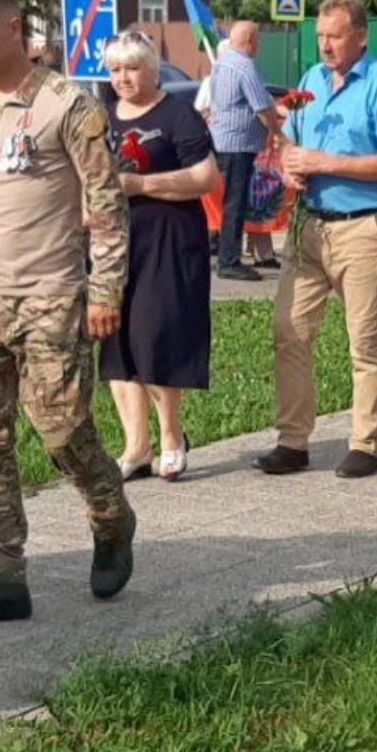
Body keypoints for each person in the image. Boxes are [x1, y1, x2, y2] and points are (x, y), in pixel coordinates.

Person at [0, 0, 136, 628]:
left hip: (50, 298)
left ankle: (110, 515)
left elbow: (107, 206)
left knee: (66, 434)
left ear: (15, 29)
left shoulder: (69, 107)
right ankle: (1, 574)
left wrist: (104, 291)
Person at [259, 0, 377, 480]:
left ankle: (364, 443)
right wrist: (290, 164)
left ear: (361, 36)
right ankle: (293, 440)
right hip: (310, 225)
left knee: (364, 340)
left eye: (335, 36)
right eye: (322, 35)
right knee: (289, 330)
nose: (325, 45)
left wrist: (324, 163)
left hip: (363, 227)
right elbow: (292, 140)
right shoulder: (311, 81)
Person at [100, 31, 219, 482]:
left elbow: (206, 176)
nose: (123, 78)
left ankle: (171, 435)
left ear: (152, 69)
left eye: (132, 68)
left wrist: (143, 185)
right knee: (117, 340)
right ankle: (136, 446)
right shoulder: (102, 116)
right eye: (115, 70)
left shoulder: (177, 114)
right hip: (115, 242)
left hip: (167, 237)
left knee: (154, 334)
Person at [209, 20, 283, 282]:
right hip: (238, 145)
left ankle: (229, 257)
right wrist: (277, 132)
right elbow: (262, 107)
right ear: (249, 39)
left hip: (224, 140)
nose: (260, 45)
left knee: (232, 202)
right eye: (259, 40)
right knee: (236, 204)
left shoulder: (223, 62)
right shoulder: (244, 66)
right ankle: (229, 261)